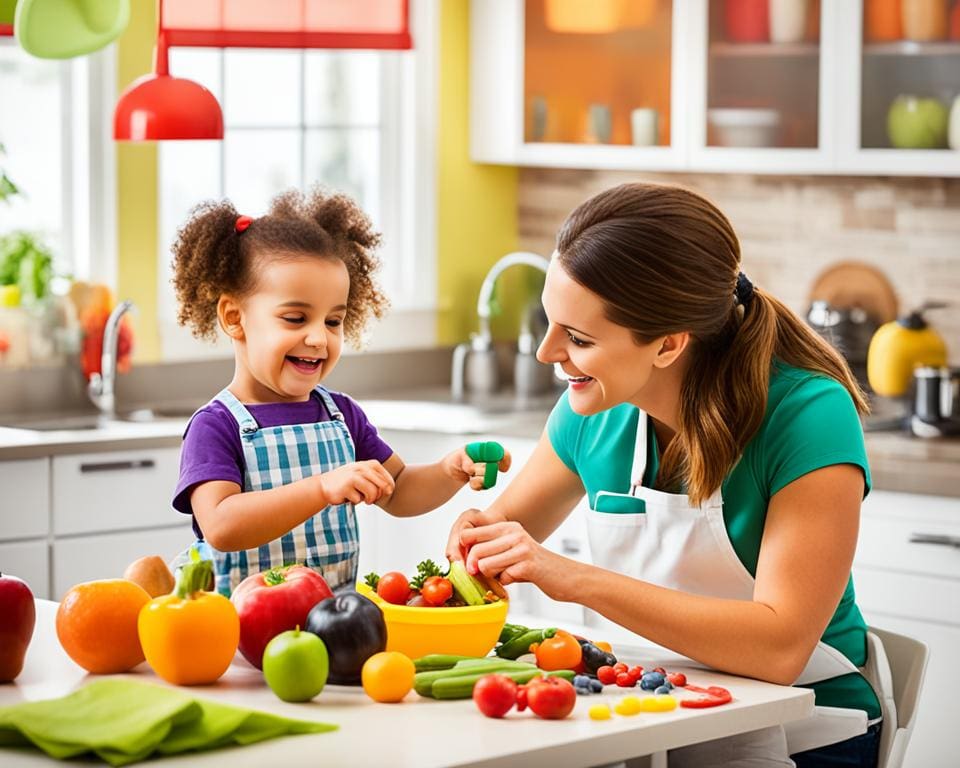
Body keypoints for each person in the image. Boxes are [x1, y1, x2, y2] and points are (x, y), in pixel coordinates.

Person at [446, 183, 882, 768]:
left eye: (577, 337)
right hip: (650, 716)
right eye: (551, 323)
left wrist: (569, 578)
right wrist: (475, 543)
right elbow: (499, 538)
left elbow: (780, 647)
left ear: (668, 344)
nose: (548, 352)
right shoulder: (594, 410)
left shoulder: (807, 415)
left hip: (807, 729)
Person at [170, 187, 510, 596]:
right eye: (295, 318)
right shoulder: (216, 426)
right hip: (239, 640)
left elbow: (397, 489)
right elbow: (222, 526)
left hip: (336, 627)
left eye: (334, 322)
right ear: (233, 317)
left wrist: (447, 471)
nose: (318, 338)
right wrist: (321, 488)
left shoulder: (340, 415)